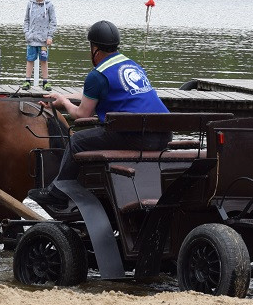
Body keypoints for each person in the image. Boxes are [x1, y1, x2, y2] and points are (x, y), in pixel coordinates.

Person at [28, 20, 171, 213]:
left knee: (77, 140)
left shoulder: (97, 75)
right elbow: (101, 96)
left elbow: (82, 114)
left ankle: (58, 192)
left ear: (94, 48)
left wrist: (66, 103)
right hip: (163, 135)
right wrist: (64, 98)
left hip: (136, 136)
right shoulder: (131, 65)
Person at [22, 0, 57, 91]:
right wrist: (27, 33)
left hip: (43, 40)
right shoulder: (30, 4)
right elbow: (26, 20)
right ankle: (27, 81)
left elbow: (53, 21)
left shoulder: (49, 5)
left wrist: (50, 36)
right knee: (30, 59)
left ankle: (45, 82)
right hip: (31, 39)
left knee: (44, 60)